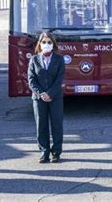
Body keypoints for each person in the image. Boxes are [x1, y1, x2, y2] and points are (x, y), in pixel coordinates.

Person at [28, 32, 66, 163]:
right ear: (39, 44)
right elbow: (31, 80)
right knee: (41, 125)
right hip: (39, 99)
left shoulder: (59, 59)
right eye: (44, 42)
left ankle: (56, 152)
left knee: (57, 125)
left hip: (56, 98)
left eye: (49, 42)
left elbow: (59, 79)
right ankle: (44, 152)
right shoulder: (34, 59)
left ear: (53, 44)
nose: (46, 44)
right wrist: (41, 94)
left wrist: (50, 93)